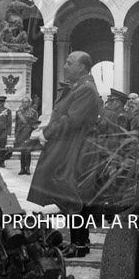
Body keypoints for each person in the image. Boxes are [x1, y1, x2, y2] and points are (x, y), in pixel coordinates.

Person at [27, 51, 100, 258]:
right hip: (71, 147)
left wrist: (46, 133)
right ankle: (79, 242)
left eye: (69, 63)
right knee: (71, 196)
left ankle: (79, 244)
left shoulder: (85, 89)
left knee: (73, 197)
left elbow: (71, 120)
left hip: (76, 149)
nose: (65, 66)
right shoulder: (80, 87)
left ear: (82, 67)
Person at [14, 96, 39, 175]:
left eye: (26, 102)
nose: (24, 103)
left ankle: (27, 168)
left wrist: (33, 134)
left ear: (29, 103)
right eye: (23, 102)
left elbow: (36, 124)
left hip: (29, 134)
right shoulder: (18, 112)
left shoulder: (33, 112)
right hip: (20, 135)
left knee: (28, 151)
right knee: (22, 151)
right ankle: (22, 169)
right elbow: (17, 125)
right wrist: (16, 135)